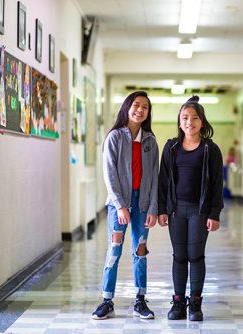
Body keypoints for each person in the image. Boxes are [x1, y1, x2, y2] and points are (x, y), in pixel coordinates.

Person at [91, 91, 159, 320]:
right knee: (114, 250)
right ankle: (106, 301)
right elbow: (109, 175)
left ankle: (140, 299)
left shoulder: (150, 140)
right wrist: (120, 205)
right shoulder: (115, 137)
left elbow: (154, 177)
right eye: (136, 105)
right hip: (118, 204)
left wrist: (153, 208)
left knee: (140, 251)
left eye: (145, 107)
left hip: (142, 204)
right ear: (127, 107)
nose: (140, 110)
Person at [157, 95, 224, 321]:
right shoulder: (171, 147)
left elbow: (216, 184)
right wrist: (162, 209)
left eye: (195, 118)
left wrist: (214, 213)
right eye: (185, 118)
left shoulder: (210, 150)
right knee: (179, 256)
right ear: (179, 121)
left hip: (199, 211)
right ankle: (178, 303)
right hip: (176, 211)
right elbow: (163, 180)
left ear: (202, 122)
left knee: (195, 256)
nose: (190, 122)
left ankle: (195, 303)